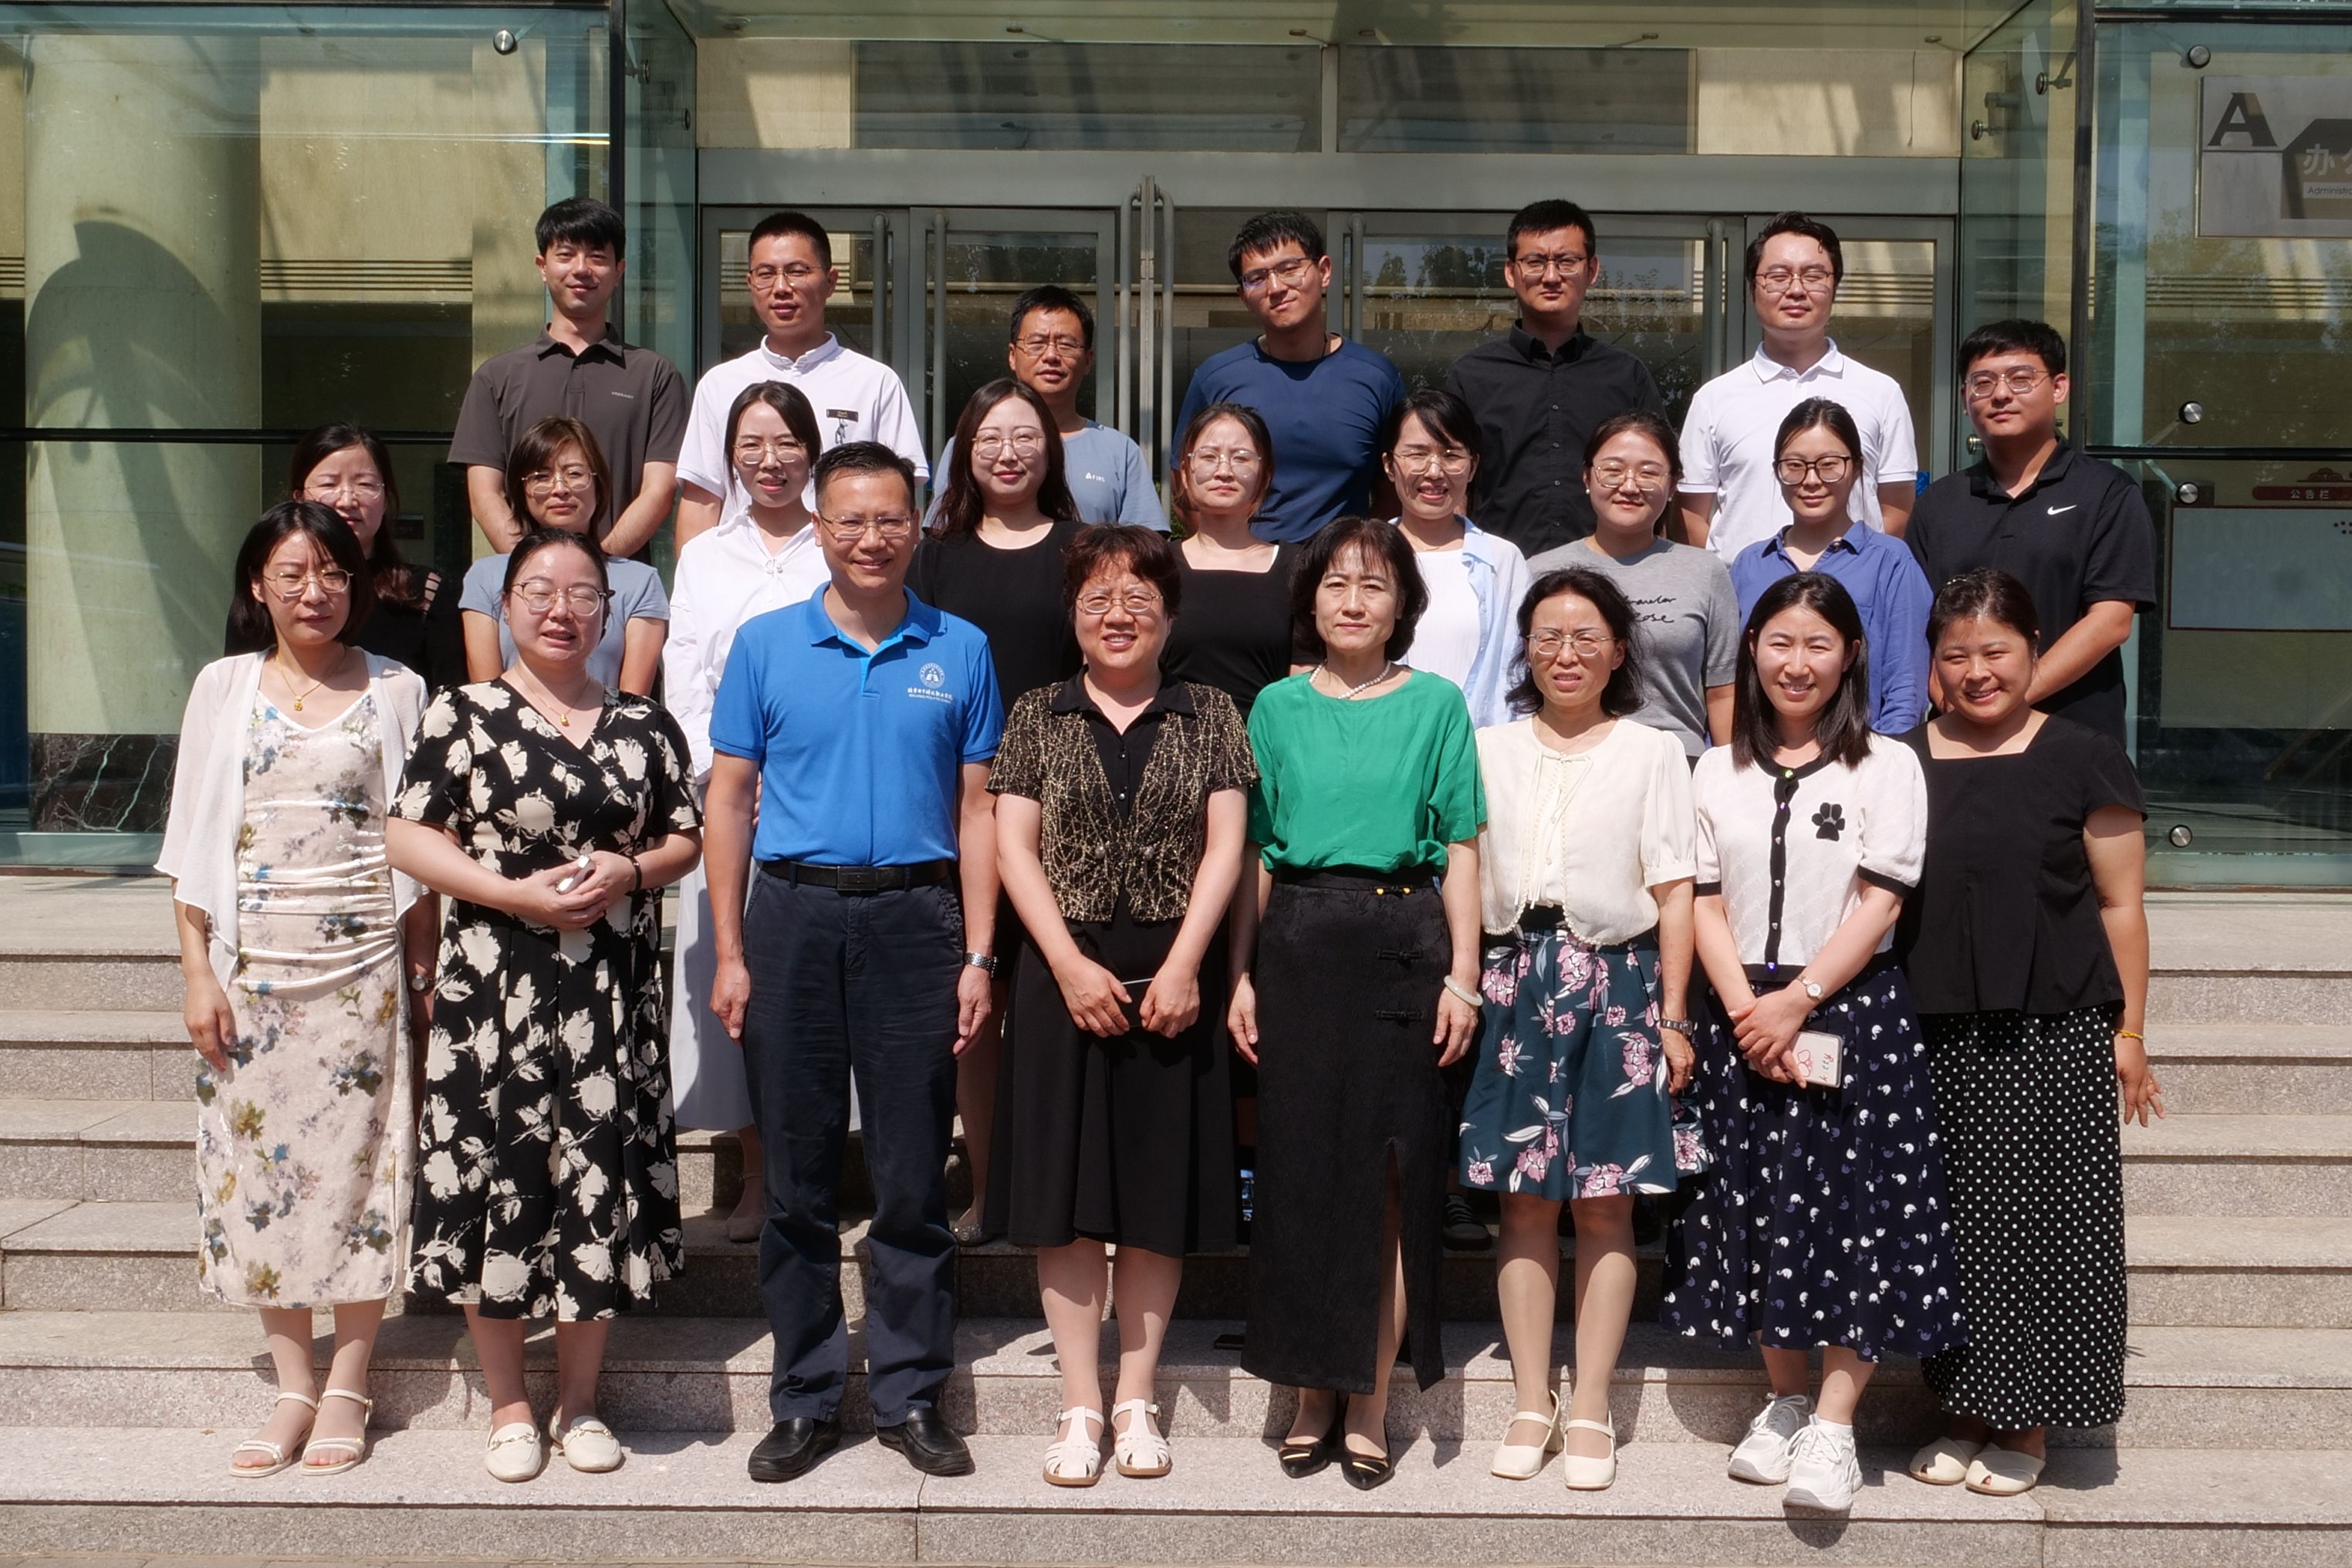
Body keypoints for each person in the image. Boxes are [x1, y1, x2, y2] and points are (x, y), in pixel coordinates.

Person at [702, 442, 1003, 1485]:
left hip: (917, 919)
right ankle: (806, 1394)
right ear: (819, 529)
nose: (871, 538)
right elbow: (728, 800)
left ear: (916, 525)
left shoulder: (960, 647)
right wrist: (729, 949)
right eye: (850, 521)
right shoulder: (766, 645)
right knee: (797, 1176)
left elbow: (977, 811)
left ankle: (913, 1391)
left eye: (889, 519)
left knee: (913, 1172)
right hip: (792, 915)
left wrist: (979, 951)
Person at [387, 527, 702, 1483]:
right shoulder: (464, 711)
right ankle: (509, 1406)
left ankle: (580, 1401)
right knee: (496, 1177)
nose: (561, 610)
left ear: (610, 611)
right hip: (493, 991)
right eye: (538, 591)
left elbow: (685, 836)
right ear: (506, 603)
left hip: (607, 992)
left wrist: (631, 869)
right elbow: (408, 835)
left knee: (592, 1181)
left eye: (582, 594)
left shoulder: (644, 724)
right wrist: (510, 892)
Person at [1661, 571, 1961, 1516]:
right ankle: (1785, 1398)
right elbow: (1703, 897)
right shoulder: (1716, 770)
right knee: (1755, 1205)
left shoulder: (1887, 765)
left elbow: (1883, 899)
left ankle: (1835, 1423)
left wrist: (1797, 999)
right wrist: (1743, 1008)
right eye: (1780, 642)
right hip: (1740, 1013)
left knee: (1854, 1215)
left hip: (1848, 1010)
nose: (1798, 663)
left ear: (1851, 656)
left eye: (1818, 645)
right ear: (1752, 648)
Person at [161, 502, 434, 1478]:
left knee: (364, 1176)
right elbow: (192, 840)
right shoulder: (223, 685)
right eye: (293, 574)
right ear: (257, 586)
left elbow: (419, 843)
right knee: (263, 1180)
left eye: (332, 573)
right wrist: (197, 971)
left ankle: (349, 1382)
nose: (315, 591)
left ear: (356, 584)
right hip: (253, 975)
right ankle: (292, 1385)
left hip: (365, 974)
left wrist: (424, 972)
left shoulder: (398, 686)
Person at [989, 525, 1254, 1486]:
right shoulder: (1037, 711)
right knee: (1064, 1203)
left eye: (1138, 599)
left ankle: (1136, 1395)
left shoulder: (1212, 711)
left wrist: (1188, 966)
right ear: (1073, 613)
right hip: (1065, 976)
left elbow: (1227, 847)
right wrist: (1063, 965)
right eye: (1097, 598)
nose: (1117, 615)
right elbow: (1012, 846)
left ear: (1170, 617)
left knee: (1154, 1197)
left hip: (1173, 982)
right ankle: (1080, 1403)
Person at [1229, 516, 1485, 1489]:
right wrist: (1241, 973)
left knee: (1388, 1176)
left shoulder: (1437, 704)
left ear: (1403, 604)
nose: (1352, 601)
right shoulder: (1275, 707)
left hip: (1403, 942)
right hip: (1298, 940)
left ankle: (1370, 1398)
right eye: (1335, 583)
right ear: (1310, 599)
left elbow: (1461, 844)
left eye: (1373, 585)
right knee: (1300, 1174)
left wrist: (1464, 975)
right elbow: (1256, 850)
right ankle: (1311, 1392)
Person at [1897, 569, 2163, 1498]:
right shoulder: (1900, 760)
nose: (1977, 671)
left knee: (2040, 1228)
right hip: (1933, 1028)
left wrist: (2131, 1029)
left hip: (2053, 1028)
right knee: (1953, 1227)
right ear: (1933, 663)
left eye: (1996, 651)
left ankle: (2028, 1422)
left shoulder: (2084, 755)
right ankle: (1964, 1407)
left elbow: (2121, 904)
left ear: (2033, 651)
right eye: (1956, 654)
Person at [1458, 566, 1697, 1491]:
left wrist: (1674, 1017)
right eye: (1549, 636)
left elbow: (1674, 888)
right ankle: (1531, 1399)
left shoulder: (1653, 752)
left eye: (1587, 636)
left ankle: (1589, 1402)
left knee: (1606, 1201)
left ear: (1619, 651)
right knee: (1524, 1199)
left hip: (1620, 982)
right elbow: (1460, 866)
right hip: (1513, 977)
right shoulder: (1486, 746)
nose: (1567, 653)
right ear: (1525, 648)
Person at [907, 378, 1086, 1241]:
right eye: (989, 438)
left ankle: (1068, 1192)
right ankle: (986, 1189)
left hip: (1072, 804)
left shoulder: (1085, 549)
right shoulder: (932, 558)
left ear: (1051, 449)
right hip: (960, 808)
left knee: (1061, 1004)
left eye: (1025, 436)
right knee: (977, 1006)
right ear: (963, 453)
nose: (1008, 453)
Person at [664, 382, 833, 1244]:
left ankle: (826, 1171)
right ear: (728, 458)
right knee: (736, 991)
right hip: (727, 803)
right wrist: (725, 776)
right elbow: (685, 681)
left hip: (826, 799)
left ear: (813, 450)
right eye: (751, 445)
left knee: (820, 992)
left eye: (787, 442)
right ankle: (759, 1174)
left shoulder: (837, 543)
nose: (770, 461)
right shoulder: (703, 557)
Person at [1904, 319, 2157, 746]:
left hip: (2073, 738)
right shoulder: (1938, 504)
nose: (2001, 394)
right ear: (1965, 400)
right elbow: (1917, 622)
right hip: (1959, 740)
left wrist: (2007, 698)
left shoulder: (2106, 493)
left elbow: (2111, 621)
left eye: (2020, 379)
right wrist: (1951, 698)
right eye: (1982, 383)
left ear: (2059, 388)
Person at [448, 198, 686, 558]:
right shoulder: (496, 377)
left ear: (619, 270)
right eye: (566, 255)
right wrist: (534, 568)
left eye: (597, 257)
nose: (581, 269)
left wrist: (598, 567)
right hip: (526, 583)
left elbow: (659, 491)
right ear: (542, 267)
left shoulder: (654, 376)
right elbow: (485, 494)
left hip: (622, 579)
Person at [674, 209, 927, 547]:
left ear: (831, 281)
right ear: (750, 284)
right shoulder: (720, 384)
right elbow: (702, 500)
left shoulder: (875, 382)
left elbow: (899, 497)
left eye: (797, 272)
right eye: (766, 274)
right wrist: (692, 577)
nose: (781, 288)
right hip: (743, 567)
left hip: (842, 569)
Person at [1676, 214, 1919, 560]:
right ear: (1752, 289)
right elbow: (1690, 513)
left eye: (1813, 276)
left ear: (1835, 287)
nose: (1795, 290)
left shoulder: (1881, 392)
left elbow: (1896, 507)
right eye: (1778, 276)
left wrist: (1861, 571)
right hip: (1744, 588)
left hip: (1849, 589)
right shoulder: (1714, 399)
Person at [1440, 199, 1667, 559]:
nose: (1550, 276)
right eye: (1534, 262)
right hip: (1501, 571)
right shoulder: (1471, 376)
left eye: (1566, 261)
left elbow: (1658, 480)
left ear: (1592, 269)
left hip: (1609, 573)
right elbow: (1451, 484)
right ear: (1511, 272)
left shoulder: (1626, 375)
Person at [1173, 211, 1406, 542]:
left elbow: (1395, 489)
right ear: (1243, 296)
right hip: (1245, 566)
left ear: (1324, 271)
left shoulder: (1377, 378)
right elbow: (1185, 489)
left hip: (1341, 568)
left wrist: (1361, 553)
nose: (1276, 287)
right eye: (1257, 277)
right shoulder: (1216, 378)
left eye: (1289, 269)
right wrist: (1229, 552)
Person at [1530, 411, 1739, 762]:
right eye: (1612, 470)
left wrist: (1730, 774)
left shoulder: (1705, 572)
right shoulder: (1540, 572)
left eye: (1649, 473)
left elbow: (1723, 692)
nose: (1629, 486)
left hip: (1673, 763)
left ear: (1673, 485)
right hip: (1565, 759)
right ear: (1587, 476)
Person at [1730, 399, 1933, 733]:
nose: (1811, 480)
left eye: (1829, 465)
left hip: (1860, 754)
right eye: (1794, 465)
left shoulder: (1891, 562)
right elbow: (1731, 683)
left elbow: (1905, 689)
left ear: (1857, 468)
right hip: (1761, 754)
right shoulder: (1750, 565)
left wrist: (1884, 757)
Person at [225, 425, 465, 690]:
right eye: (329, 484)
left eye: (365, 485)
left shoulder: (424, 593)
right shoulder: (272, 590)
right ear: (299, 498)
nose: (348, 500)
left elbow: (452, 699)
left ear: (386, 500)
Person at [459, 418, 668, 694]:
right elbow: (486, 697)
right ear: (522, 491)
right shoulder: (486, 577)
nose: (560, 489)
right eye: (541, 477)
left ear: (598, 485)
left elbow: (633, 704)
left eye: (574, 474)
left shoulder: (640, 582)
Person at [930, 286, 1162, 529]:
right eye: (1037, 343)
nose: (1051, 355)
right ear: (1012, 355)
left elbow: (1145, 544)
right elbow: (944, 536)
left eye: (1067, 344)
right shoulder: (972, 446)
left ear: (1088, 360)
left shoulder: (1120, 452)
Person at [1380, 387, 1533, 728]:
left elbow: (1519, 669)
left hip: (1482, 747)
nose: (1434, 471)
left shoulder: (1502, 560)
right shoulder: (1365, 557)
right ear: (1389, 465)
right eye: (1417, 454)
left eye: (1451, 455)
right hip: (1383, 743)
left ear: (1473, 466)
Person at [1159, 402, 1299, 719]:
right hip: (1170, 742)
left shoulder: (1295, 567)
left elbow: (1304, 683)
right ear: (1185, 472)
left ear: (1265, 474)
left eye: (1241, 458)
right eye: (1209, 457)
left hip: (1264, 742)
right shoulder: (1157, 565)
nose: (1224, 471)